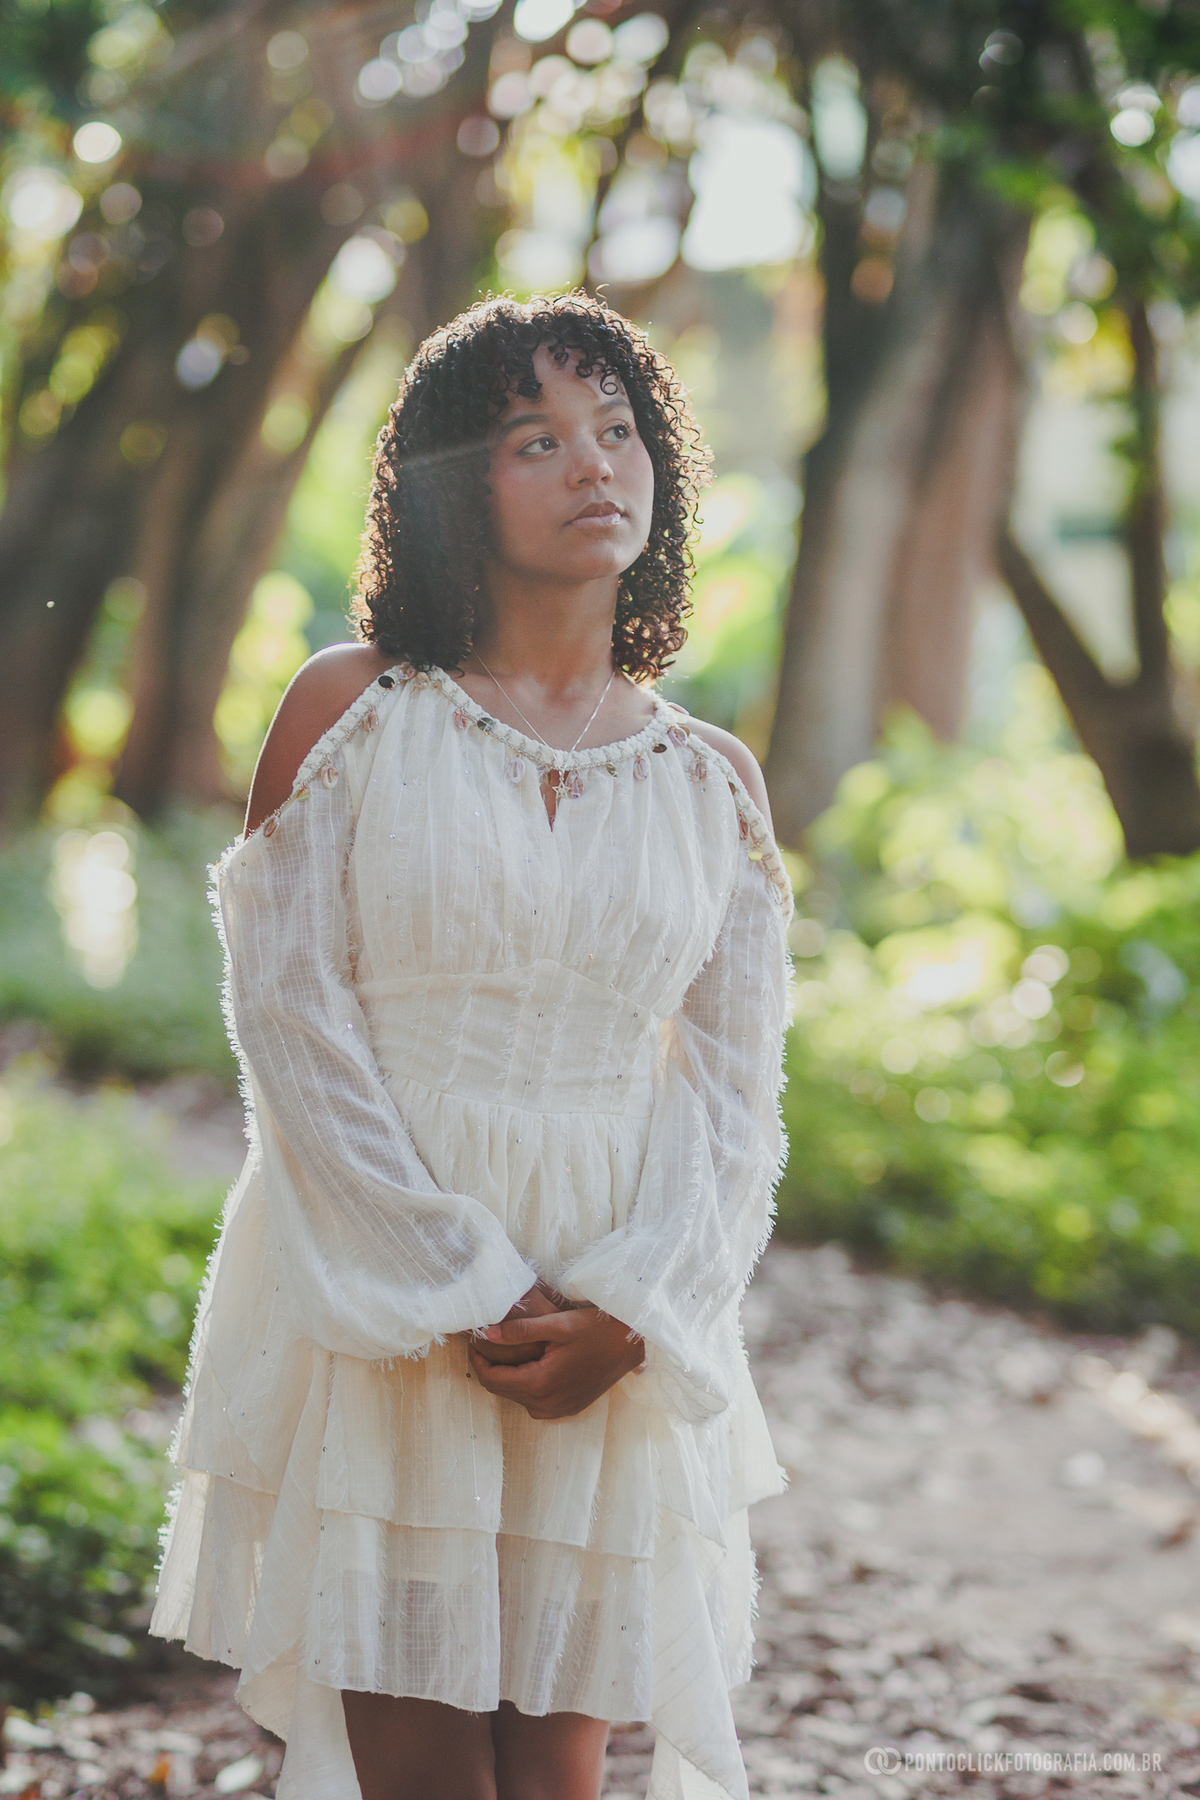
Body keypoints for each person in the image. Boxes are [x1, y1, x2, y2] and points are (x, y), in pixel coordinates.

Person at [150, 292, 793, 1800]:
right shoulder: (357, 710)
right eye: (535, 437)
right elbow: (292, 1027)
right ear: (454, 484)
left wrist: (636, 1310)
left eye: (619, 428)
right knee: (425, 1771)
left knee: (559, 1770)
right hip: (388, 1291)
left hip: (600, 1299)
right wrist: (458, 1279)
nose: (595, 465)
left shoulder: (711, 780)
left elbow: (733, 1101)